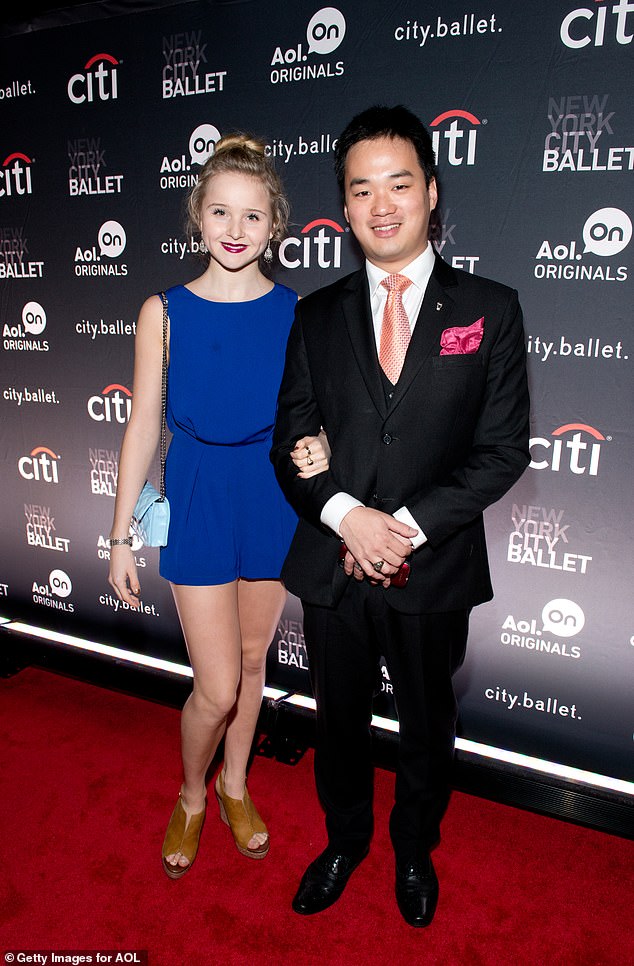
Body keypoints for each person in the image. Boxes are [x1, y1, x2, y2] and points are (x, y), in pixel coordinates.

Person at [271, 105, 530, 926]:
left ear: (431, 193)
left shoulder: (490, 308)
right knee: (336, 717)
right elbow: (290, 441)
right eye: (361, 189)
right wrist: (348, 516)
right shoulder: (313, 315)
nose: (381, 205)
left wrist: (402, 527)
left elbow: (501, 452)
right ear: (343, 208)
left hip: (434, 564)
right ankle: (344, 840)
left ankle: (415, 849)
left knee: (427, 722)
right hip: (333, 567)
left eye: (399, 184)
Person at [108, 133, 329, 879]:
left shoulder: (298, 313)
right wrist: (119, 538)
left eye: (253, 216)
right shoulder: (163, 311)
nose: (236, 231)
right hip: (198, 494)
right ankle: (193, 793)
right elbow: (143, 424)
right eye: (221, 213)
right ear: (196, 217)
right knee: (216, 686)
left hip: (271, 499)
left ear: (276, 225)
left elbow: (312, 418)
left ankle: (238, 787)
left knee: (251, 657)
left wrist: (318, 451)